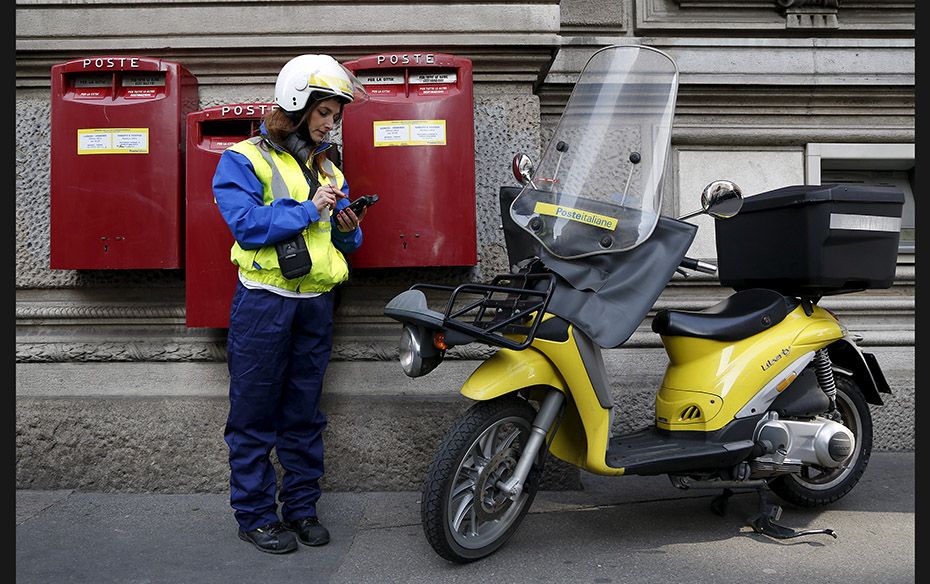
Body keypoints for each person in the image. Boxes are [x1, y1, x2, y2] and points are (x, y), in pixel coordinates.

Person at [212, 54, 369, 554]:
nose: (331, 124)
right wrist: (308, 209)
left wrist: (349, 230)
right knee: (254, 415)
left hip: (316, 304)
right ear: (297, 105)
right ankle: (256, 515)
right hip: (264, 305)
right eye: (324, 112)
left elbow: (341, 243)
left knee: (304, 414)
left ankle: (301, 508)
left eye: (337, 116)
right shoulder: (243, 158)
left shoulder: (328, 165)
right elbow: (246, 226)